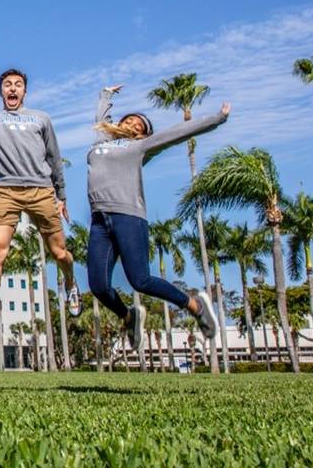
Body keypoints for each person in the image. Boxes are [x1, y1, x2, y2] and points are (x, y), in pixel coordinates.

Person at [0, 43, 82, 335]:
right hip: (7, 192)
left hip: (42, 192)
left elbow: (54, 158)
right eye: (7, 85)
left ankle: (71, 285)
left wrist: (61, 195)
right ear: (1, 92)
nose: (13, 89)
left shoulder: (40, 119)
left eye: (18, 85)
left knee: (60, 253)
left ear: (25, 91)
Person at [87, 85, 229, 348]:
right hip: (99, 221)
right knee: (98, 286)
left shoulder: (141, 146)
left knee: (140, 280)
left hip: (128, 217)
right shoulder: (101, 143)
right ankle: (128, 315)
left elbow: (177, 133)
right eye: (128, 120)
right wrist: (105, 95)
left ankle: (195, 305)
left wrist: (216, 119)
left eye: (138, 124)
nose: (131, 124)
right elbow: (101, 120)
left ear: (144, 134)